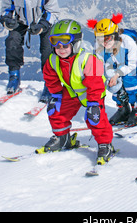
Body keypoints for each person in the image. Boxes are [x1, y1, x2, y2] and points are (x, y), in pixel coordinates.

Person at [38, 19, 115, 164]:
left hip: (92, 93)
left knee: (95, 117)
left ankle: (105, 144)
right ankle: (63, 138)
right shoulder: (53, 60)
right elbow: (50, 77)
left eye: (65, 43)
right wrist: (56, 94)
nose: (60, 48)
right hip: (71, 92)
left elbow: (95, 83)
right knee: (56, 111)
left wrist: (93, 103)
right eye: (55, 42)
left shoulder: (87, 59)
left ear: (76, 43)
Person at [0, 0, 60, 102]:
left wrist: (42, 25)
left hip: (42, 21)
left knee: (48, 48)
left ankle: (49, 83)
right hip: (21, 19)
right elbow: (6, 8)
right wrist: (7, 20)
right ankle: (14, 76)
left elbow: (53, 11)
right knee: (12, 41)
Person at [87, 14, 137, 126]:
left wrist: (118, 74)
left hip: (132, 57)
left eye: (108, 38)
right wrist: (111, 78)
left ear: (115, 35)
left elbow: (132, 65)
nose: (104, 42)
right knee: (113, 85)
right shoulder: (99, 47)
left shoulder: (128, 42)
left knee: (129, 80)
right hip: (114, 61)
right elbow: (103, 66)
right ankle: (123, 109)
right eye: (100, 39)